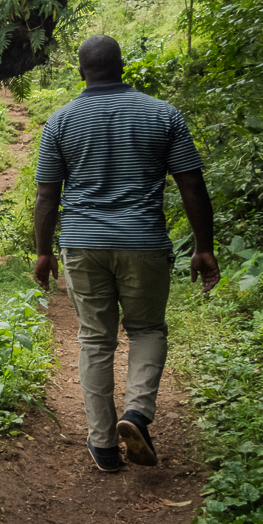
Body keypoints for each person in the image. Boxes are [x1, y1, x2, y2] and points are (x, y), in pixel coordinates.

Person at [33, 35, 220, 472]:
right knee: (148, 329)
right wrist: (203, 246)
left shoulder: (61, 122)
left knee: (96, 340)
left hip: (82, 244)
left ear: (82, 72)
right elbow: (191, 184)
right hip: (144, 243)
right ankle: (135, 413)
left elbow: (46, 196)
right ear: (123, 68)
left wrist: (43, 253)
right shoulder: (163, 115)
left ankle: (103, 445)